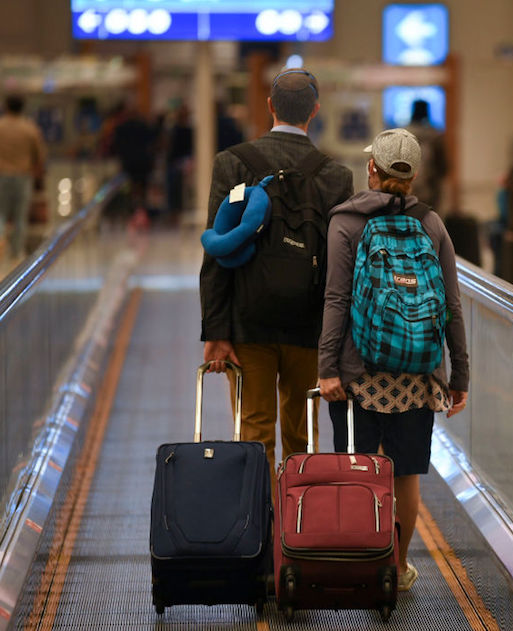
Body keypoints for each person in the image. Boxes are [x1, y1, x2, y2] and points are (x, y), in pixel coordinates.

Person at [317, 128, 469, 592]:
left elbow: (337, 299)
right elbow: (451, 304)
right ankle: (398, 568)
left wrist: (326, 367)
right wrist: (459, 373)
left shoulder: (345, 222)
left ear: (372, 171)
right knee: (405, 474)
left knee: (361, 469)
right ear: (415, 174)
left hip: (360, 372)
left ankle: (365, 561)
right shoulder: (432, 224)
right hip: (418, 376)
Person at [200, 68, 354, 478]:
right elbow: (343, 265)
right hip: (310, 325)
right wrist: (337, 340)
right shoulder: (335, 176)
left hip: (248, 322)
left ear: (269, 106)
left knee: (254, 432)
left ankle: (261, 531)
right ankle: (300, 529)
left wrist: (216, 331)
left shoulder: (232, 164)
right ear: (315, 111)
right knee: (302, 435)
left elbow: (216, 250)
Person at [0, 95, 46, 264]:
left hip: (1, 175)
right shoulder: (30, 129)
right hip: (23, 176)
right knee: (20, 217)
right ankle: (16, 253)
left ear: (5, 107)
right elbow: (39, 155)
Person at [405, 99, 448, 212]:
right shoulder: (435, 135)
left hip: (406, 186)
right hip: (431, 187)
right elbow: (443, 167)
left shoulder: (404, 133)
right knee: (430, 220)